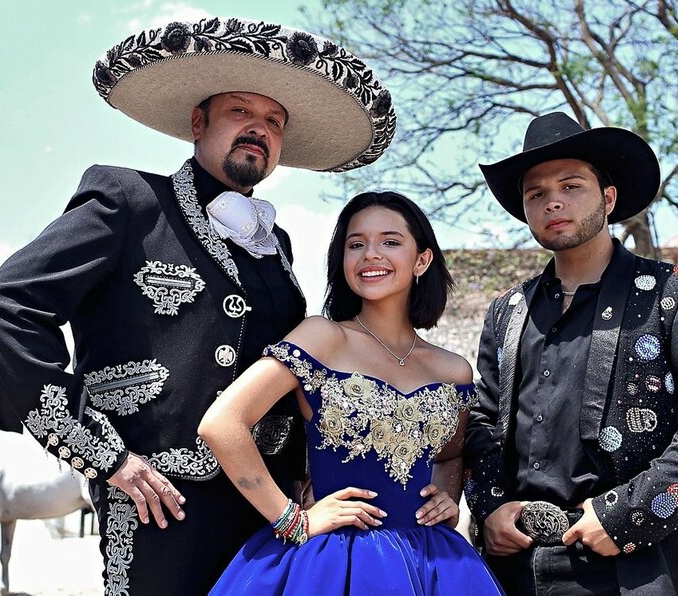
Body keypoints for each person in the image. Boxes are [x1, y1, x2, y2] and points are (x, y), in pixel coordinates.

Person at [0, 16, 395, 596]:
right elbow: (6, 308)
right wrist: (104, 456)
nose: (258, 128)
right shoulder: (129, 200)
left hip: (267, 507)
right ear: (198, 122)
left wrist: (306, 477)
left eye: (274, 120)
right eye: (240, 111)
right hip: (157, 501)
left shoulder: (278, 244)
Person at [463, 112, 678, 595]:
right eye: (536, 194)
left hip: (636, 564)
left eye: (571, 185)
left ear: (608, 198)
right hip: (514, 568)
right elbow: (480, 421)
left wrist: (625, 516)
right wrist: (490, 507)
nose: (553, 201)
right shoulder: (507, 312)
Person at [199, 191, 505, 594]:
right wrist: (291, 518)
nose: (370, 254)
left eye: (390, 242)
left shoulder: (453, 369)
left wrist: (447, 498)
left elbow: (449, 454)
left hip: (433, 565)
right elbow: (222, 423)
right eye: (356, 244)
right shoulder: (322, 337)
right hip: (333, 563)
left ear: (422, 260)